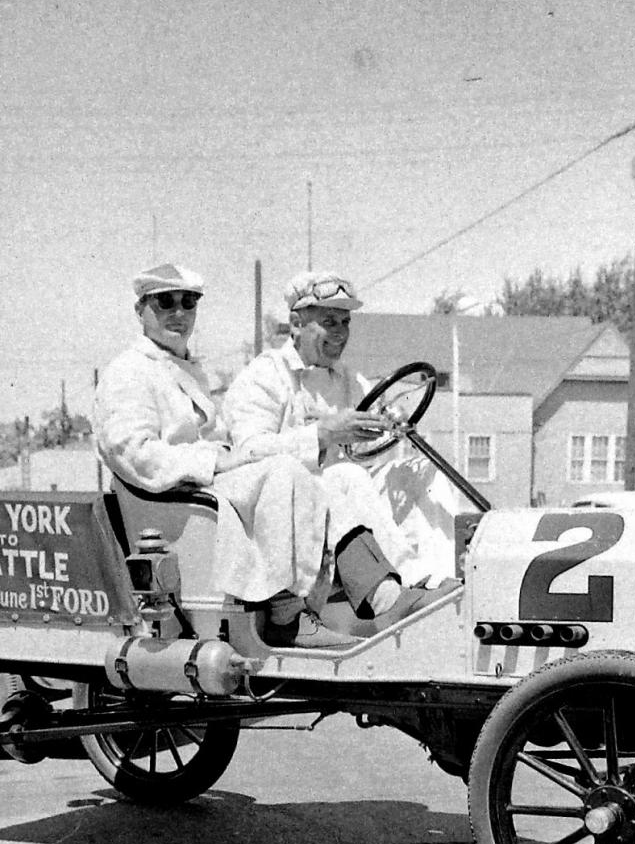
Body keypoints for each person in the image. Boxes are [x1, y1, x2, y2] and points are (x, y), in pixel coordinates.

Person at [92, 263, 452, 650]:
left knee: (388, 472)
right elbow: (132, 453)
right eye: (165, 303)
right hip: (171, 506)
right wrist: (212, 461)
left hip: (203, 493)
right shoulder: (130, 373)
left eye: (188, 302)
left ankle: (419, 587)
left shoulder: (184, 370)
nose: (179, 313)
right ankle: (288, 614)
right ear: (141, 311)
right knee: (292, 470)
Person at [223, 270, 464, 586]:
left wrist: (387, 423)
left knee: (423, 470)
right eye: (329, 322)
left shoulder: (350, 380)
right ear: (297, 325)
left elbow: (370, 438)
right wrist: (322, 434)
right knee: (344, 476)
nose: (340, 333)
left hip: (348, 507)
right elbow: (247, 452)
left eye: (345, 322)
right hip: (291, 515)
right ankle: (410, 579)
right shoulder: (263, 377)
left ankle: (443, 579)